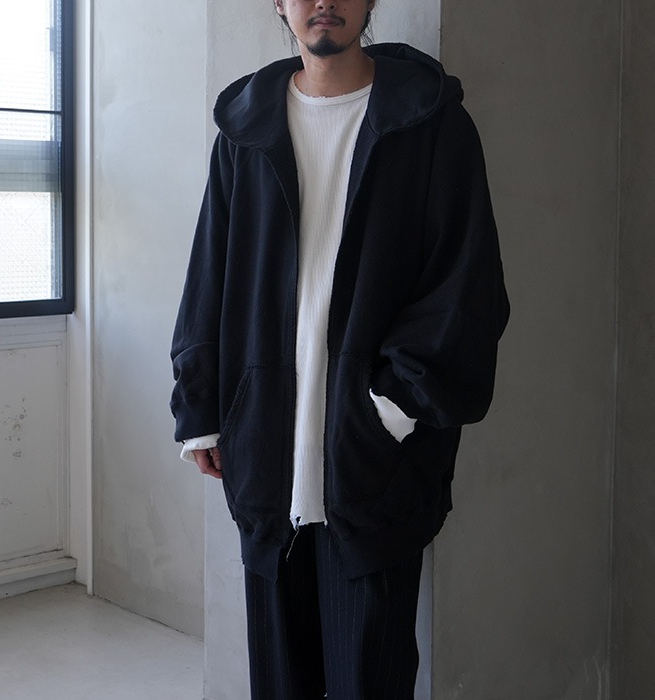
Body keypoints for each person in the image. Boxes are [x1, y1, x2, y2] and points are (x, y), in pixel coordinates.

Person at [170, 0, 510, 696]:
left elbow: (466, 288)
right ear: (280, 4)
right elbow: (210, 271)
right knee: (280, 683)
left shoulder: (429, 122)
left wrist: (388, 411)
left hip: (376, 466)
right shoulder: (246, 130)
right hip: (266, 461)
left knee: (371, 682)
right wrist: (202, 409)